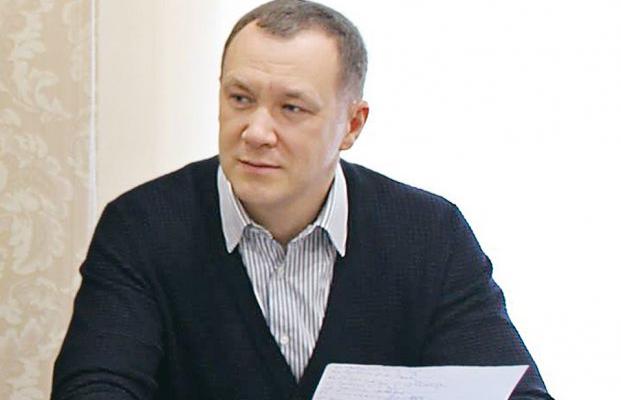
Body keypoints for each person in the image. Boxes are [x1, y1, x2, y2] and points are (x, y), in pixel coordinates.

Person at [52, 1, 553, 399]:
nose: (256, 132)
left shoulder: (429, 234)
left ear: (352, 125)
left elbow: (514, 392)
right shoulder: (143, 227)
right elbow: (94, 388)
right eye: (240, 99)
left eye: (291, 108)